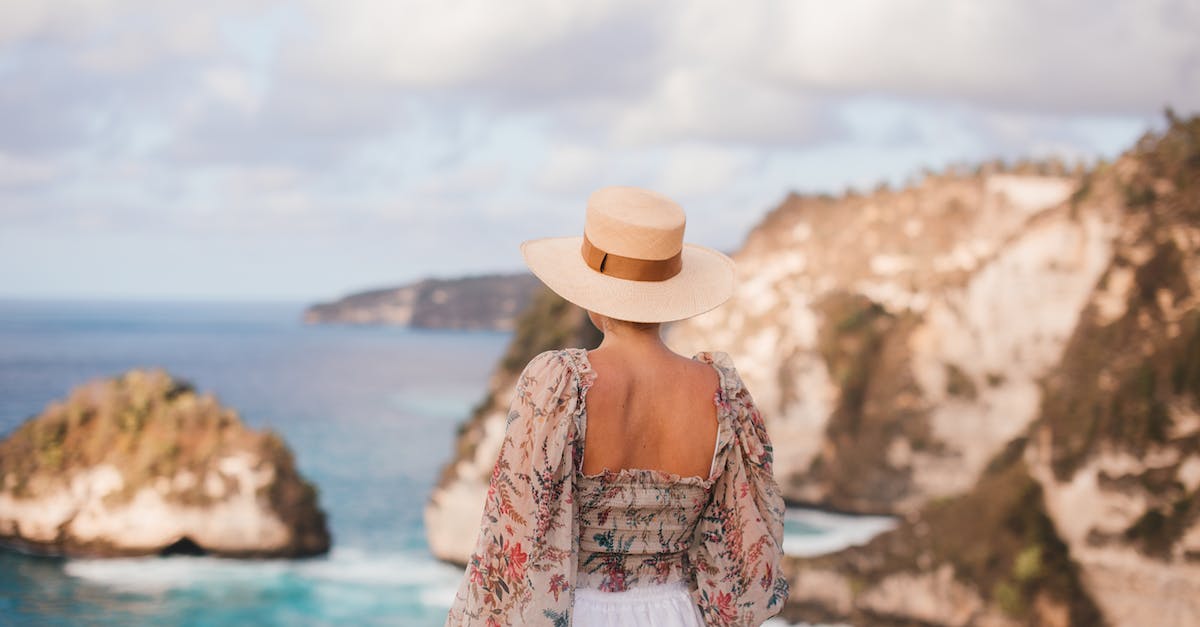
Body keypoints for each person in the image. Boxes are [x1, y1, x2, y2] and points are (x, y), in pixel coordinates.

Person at [446, 186, 788, 626]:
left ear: (591, 290)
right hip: (678, 612)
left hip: (578, 612)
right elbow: (740, 535)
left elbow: (514, 533)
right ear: (672, 291)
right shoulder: (722, 392)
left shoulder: (559, 383)